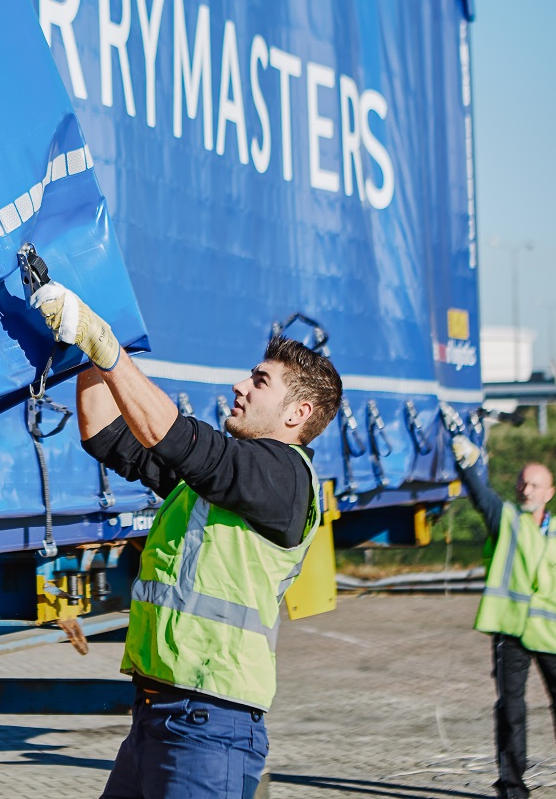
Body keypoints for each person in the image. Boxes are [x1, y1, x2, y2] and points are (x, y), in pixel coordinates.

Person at [29, 278, 342, 799]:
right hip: (159, 714)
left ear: (297, 414)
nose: (241, 385)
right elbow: (105, 434)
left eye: (260, 381)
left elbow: (177, 438)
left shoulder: (283, 478)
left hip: (209, 723)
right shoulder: (218, 483)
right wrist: (86, 350)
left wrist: (107, 346)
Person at [451, 435, 556, 799]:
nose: (526, 489)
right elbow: (479, 492)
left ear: (549, 492)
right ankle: (513, 789)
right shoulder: (505, 519)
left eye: (534, 484)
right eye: (522, 482)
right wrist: (467, 463)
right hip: (511, 630)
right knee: (511, 711)